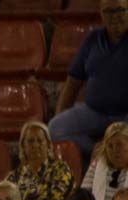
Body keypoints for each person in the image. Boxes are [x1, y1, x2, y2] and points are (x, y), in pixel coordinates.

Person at [48, 0, 128, 160]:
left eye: (120, 10)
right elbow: (72, 83)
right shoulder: (92, 39)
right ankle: (101, 152)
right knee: (55, 128)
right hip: (94, 112)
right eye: (108, 12)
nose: (115, 17)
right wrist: (59, 114)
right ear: (101, 14)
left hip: (126, 114)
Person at [5, 121, 75, 200]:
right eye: (30, 141)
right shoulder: (14, 177)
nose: (35, 145)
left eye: (40, 140)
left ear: (48, 144)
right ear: (23, 145)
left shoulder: (61, 169)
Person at [80, 121, 128, 200]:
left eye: (119, 145)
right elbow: (83, 197)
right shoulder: (97, 165)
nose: (115, 150)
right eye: (110, 146)